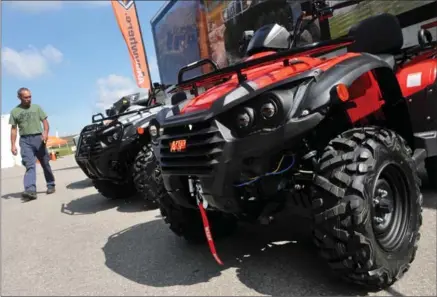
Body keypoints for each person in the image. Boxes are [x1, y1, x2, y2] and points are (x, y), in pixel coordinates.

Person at [9, 87, 56, 200]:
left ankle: (51, 184)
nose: (29, 99)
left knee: (45, 163)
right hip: (25, 140)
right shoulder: (14, 112)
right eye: (26, 97)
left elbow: (45, 122)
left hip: (38, 138)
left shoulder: (37, 108)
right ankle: (30, 190)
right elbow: (14, 129)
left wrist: (45, 133)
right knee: (29, 165)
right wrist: (13, 145)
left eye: (30, 96)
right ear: (19, 97)